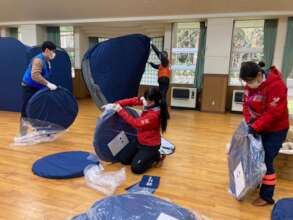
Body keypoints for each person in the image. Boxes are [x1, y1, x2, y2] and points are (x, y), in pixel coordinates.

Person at [240, 61, 289, 206]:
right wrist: (250, 122)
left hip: (276, 129)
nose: (248, 85)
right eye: (246, 82)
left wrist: (256, 126)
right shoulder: (250, 85)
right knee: (255, 156)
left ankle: (267, 196)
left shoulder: (276, 85)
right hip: (259, 126)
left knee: (266, 160)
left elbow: (273, 113)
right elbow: (246, 105)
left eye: (250, 81)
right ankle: (256, 181)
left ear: (260, 75)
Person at [110, 87, 169, 174]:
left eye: (148, 101)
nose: (146, 102)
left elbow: (135, 123)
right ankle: (142, 154)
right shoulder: (150, 101)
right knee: (124, 160)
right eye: (146, 99)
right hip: (140, 140)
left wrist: (120, 110)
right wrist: (116, 104)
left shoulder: (154, 116)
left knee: (136, 169)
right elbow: (133, 100)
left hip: (150, 146)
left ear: (155, 101)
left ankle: (156, 155)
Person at [20, 41, 58, 135]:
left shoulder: (46, 61)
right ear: (47, 50)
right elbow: (35, 75)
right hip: (29, 87)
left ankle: (41, 131)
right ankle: (22, 135)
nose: (54, 54)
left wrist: (47, 84)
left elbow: (45, 75)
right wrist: (48, 84)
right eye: (52, 51)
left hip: (38, 88)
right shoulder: (38, 60)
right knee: (26, 111)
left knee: (41, 108)